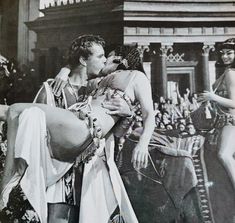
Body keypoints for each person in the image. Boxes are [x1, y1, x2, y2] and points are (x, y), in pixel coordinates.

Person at [0, 37, 155, 223]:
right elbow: (78, 74)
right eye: (101, 56)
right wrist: (65, 70)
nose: (104, 59)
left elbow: (147, 116)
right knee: (17, 112)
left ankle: (8, 187)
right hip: (60, 162)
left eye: (107, 56)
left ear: (119, 60)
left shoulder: (134, 78)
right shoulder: (89, 84)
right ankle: (10, 188)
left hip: (87, 159)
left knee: (15, 110)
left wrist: (131, 120)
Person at [33, 35, 134, 222]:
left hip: (93, 180)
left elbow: (116, 135)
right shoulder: (51, 90)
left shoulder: (102, 90)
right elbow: (35, 135)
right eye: (100, 56)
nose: (105, 60)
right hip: (59, 182)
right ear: (82, 60)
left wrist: (127, 114)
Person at [198, 38, 235, 191]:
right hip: (220, 122)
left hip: (231, 122)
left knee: (224, 155)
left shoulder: (231, 73)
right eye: (223, 53)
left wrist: (212, 97)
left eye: (229, 53)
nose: (225, 56)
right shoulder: (227, 71)